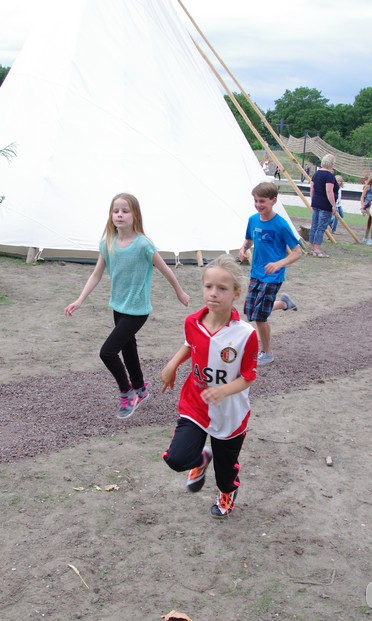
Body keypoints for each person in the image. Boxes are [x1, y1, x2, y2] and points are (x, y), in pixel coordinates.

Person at [65, 192, 190, 419]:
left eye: (125, 210)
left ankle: (127, 392)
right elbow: (96, 274)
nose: (120, 215)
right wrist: (79, 299)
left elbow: (165, 269)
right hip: (119, 307)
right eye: (116, 211)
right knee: (128, 348)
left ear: (135, 216)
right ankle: (140, 388)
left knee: (107, 352)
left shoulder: (143, 244)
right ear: (111, 215)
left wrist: (179, 292)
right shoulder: (107, 244)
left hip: (137, 310)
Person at [160, 254, 258, 519]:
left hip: (230, 413)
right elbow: (189, 345)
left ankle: (227, 492)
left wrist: (223, 390)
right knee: (177, 458)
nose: (213, 293)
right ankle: (200, 458)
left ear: (236, 293)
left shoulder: (245, 334)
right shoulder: (192, 322)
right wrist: (172, 365)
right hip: (196, 403)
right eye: (208, 286)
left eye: (222, 288)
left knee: (226, 471)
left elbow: (249, 376)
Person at [239, 182, 302, 365]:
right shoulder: (253, 220)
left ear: (273, 200)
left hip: (273, 276)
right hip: (256, 273)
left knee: (259, 316)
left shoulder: (281, 225)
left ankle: (267, 353)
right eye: (256, 201)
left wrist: (278, 264)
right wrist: (243, 248)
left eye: (262, 201)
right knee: (250, 311)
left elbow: (297, 252)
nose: (258, 205)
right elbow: (249, 239)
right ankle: (283, 303)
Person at [308, 154, 339, 257]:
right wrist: (333, 205)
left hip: (316, 202)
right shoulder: (329, 176)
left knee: (314, 226)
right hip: (325, 204)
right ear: (332, 164)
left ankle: (313, 248)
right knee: (321, 227)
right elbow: (329, 191)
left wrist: (313, 200)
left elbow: (312, 189)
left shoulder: (316, 174)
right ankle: (317, 249)